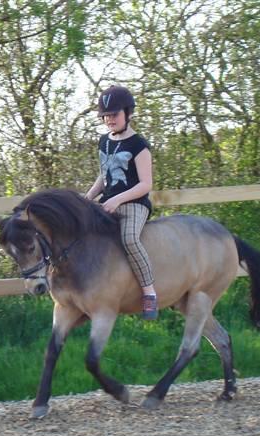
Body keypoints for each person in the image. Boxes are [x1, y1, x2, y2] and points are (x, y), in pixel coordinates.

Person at [84, 85, 158, 320]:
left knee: (129, 239)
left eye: (114, 115)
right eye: (105, 116)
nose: (109, 120)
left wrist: (117, 200)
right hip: (108, 201)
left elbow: (146, 184)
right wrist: (87, 198)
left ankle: (149, 292)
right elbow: (104, 175)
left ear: (128, 113)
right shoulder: (104, 142)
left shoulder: (139, 145)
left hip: (134, 203)